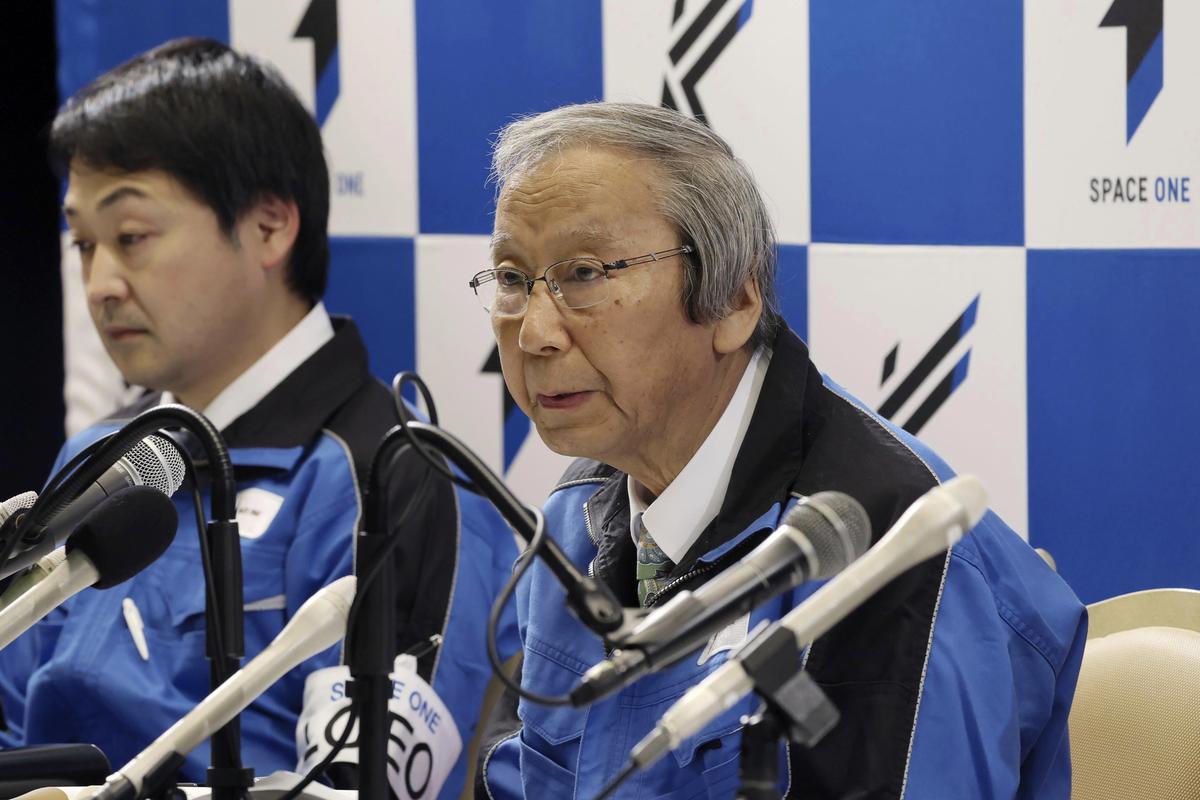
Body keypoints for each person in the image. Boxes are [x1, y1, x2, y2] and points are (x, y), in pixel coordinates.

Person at [473, 102, 1087, 799]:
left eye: (583, 275)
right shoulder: (576, 511)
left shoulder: (895, 553)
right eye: (514, 280)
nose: (534, 334)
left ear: (734, 300)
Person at [0, 38, 518, 799]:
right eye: (83, 243)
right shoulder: (96, 459)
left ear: (271, 227)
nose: (100, 282)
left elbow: (361, 788)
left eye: (131, 237)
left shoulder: (398, 479)